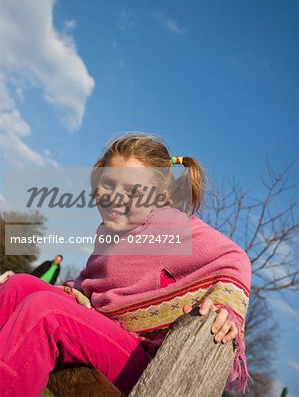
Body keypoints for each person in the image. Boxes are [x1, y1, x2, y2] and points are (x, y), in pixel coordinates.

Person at [0, 134, 252, 397]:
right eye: (108, 183)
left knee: (45, 312)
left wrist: (228, 307)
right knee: (19, 286)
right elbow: (91, 285)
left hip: (146, 362)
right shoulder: (109, 235)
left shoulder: (169, 225)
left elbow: (235, 258)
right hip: (105, 336)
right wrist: (68, 292)